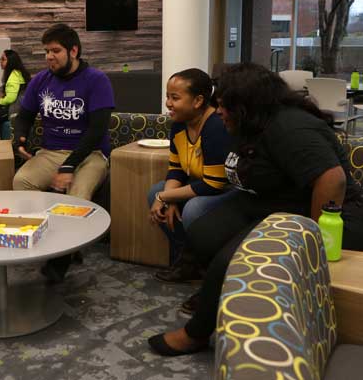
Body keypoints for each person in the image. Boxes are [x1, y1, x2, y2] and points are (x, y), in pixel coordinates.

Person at [148, 62, 363, 357]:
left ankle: (195, 333)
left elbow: (332, 180)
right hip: (271, 201)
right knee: (204, 230)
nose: (218, 110)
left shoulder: (289, 126)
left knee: (231, 259)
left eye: (223, 105)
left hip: (327, 213)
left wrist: (311, 238)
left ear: (245, 104)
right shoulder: (248, 124)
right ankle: (221, 293)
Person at [13, 23, 114, 282]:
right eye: (46, 51)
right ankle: (48, 241)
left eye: (55, 51)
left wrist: (69, 166)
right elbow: (24, 116)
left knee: (77, 197)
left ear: (74, 51)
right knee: (21, 181)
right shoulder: (40, 80)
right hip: (50, 152)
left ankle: (60, 259)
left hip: (90, 154)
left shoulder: (96, 80)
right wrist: (20, 137)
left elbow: (97, 130)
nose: (49, 57)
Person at [147, 69, 235, 286]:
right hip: (200, 185)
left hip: (228, 190)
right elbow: (176, 169)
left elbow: (214, 184)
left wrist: (167, 196)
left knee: (193, 208)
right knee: (154, 193)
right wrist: (168, 197)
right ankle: (186, 262)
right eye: (167, 96)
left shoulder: (215, 126)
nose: (168, 103)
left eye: (175, 98)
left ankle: (201, 264)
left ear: (197, 101)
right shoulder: (178, 123)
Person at [0, 49, 31, 133]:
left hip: (16, 108)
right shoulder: (17, 72)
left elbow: (11, 98)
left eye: (3, 59)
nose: (0, 61)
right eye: (0, 59)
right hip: (19, 105)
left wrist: (0, 101)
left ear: (11, 61)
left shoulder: (13, 76)